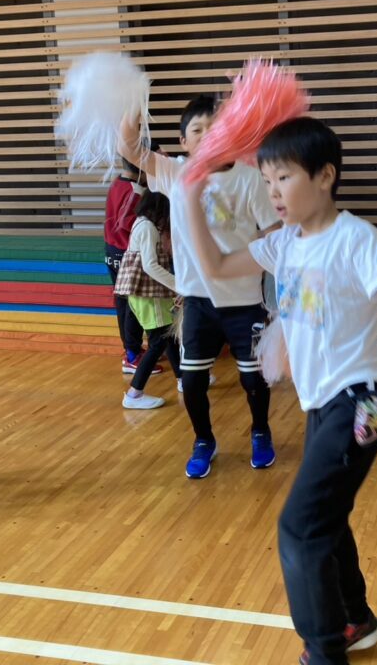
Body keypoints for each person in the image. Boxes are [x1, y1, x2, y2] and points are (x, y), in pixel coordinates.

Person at [185, 116, 377, 665]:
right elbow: (217, 266)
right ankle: (355, 619)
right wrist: (190, 200)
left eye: (284, 178)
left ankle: (324, 652)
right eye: (267, 181)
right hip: (324, 404)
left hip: (362, 399)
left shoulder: (355, 237)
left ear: (325, 176)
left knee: (299, 528)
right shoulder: (283, 244)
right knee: (327, 517)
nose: (273, 192)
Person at [119, 95, 280, 479]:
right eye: (198, 130)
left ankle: (260, 431)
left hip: (244, 301)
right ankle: (204, 440)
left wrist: (269, 266)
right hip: (197, 302)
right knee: (191, 381)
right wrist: (134, 97)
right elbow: (128, 147)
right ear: (184, 142)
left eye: (216, 127)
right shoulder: (176, 173)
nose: (208, 135)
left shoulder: (249, 178)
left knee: (253, 378)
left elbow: (274, 231)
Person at [121, 190, 182, 409]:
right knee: (159, 342)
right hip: (148, 296)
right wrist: (178, 285)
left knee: (169, 335)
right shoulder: (147, 227)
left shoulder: (141, 223)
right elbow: (150, 266)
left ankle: (183, 379)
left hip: (148, 294)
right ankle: (134, 394)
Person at [104, 154, 151, 375]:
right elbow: (125, 222)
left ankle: (131, 350)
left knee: (123, 302)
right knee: (133, 304)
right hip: (126, 252)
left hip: (111, 249)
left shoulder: (117, 182)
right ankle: (132, 355)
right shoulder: (135, 190)